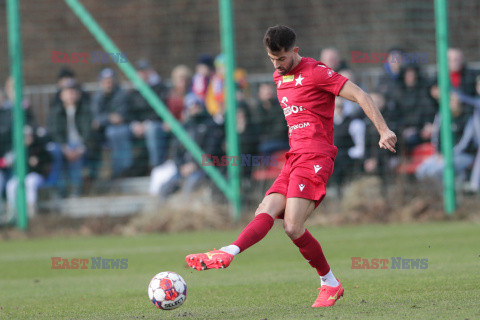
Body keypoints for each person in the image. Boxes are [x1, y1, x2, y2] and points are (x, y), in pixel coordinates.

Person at [185, 25, 397, 308]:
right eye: (272, 60)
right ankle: (227, 251)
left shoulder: (317, 72)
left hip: (316, 157)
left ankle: (329, 283)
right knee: (265, 211)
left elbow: (360, 95)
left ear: (295, 51)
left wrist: (383, 130)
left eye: (282, 59)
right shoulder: (277, 76)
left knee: (292, 226)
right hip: (294, 158)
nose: (277, 65)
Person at [48, 79, 92, 196]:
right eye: (68, 92)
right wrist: (65, 148)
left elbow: (88, 133)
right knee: (56, 154)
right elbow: (55, 133)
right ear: (62, 95)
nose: (71, 95)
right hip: (63, 147)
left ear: (78, 94)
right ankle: (59, 190)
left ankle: (75, 190)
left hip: (81, 147)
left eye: (73, 92)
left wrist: (80, 149)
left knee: (76, 157)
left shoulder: (85, 110)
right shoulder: (56, 112)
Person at [90, 68, 130, 178]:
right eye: (106, 81)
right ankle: (94, 175)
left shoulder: (121, 94)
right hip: (101, 132)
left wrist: (103, 120)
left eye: (110, 81)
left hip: (119, 129)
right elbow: (95, 119)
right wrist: (109, 118)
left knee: (115, 133)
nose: (108, 84)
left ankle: (122, 170)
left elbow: (121, 117)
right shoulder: (97, 97)